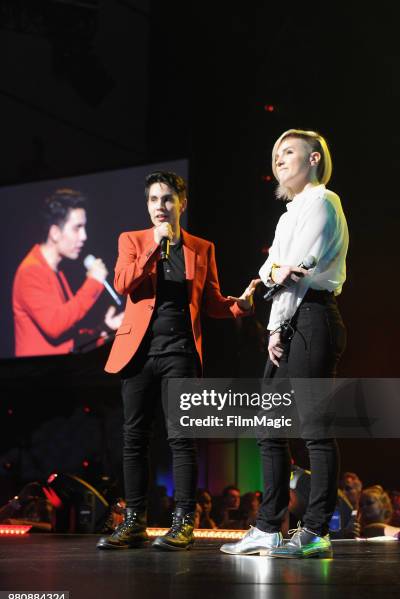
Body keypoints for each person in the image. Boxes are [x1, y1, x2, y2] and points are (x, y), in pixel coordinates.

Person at [97, 171, 258, 551]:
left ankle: (183, 522)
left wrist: (240, 307)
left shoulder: (202, 248)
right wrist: (154, 247)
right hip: (137, 353)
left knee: (181, 439)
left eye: (167, 199)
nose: (160, 206)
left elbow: (212, 302)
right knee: (134, 439)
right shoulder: (133, 240)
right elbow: (123, 284)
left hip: (181, 353)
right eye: (153, 199)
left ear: (181, 204)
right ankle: (134, 522)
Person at [221, 129, 348, 558]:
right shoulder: (287, 214)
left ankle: (315, 530)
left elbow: (290, 272)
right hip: (290, 324)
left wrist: (274, 274)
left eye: (288, 152)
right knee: (268, 429)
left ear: (313, 159)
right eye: (276, 154)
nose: (279, 160)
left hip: (314, 317)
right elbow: (273, 270)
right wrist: (274, 328)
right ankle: (268, 527)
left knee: (314, 430)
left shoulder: (324, 202)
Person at [12, 188, 122, 357]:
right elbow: (55, 327)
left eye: (84, 228)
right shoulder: (31, 271)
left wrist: (104, 329)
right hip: (37, 379)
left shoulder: (56, 271)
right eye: (77, 228)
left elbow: (68, 336)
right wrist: (93, 283)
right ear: (55, 233)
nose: (84, 236)